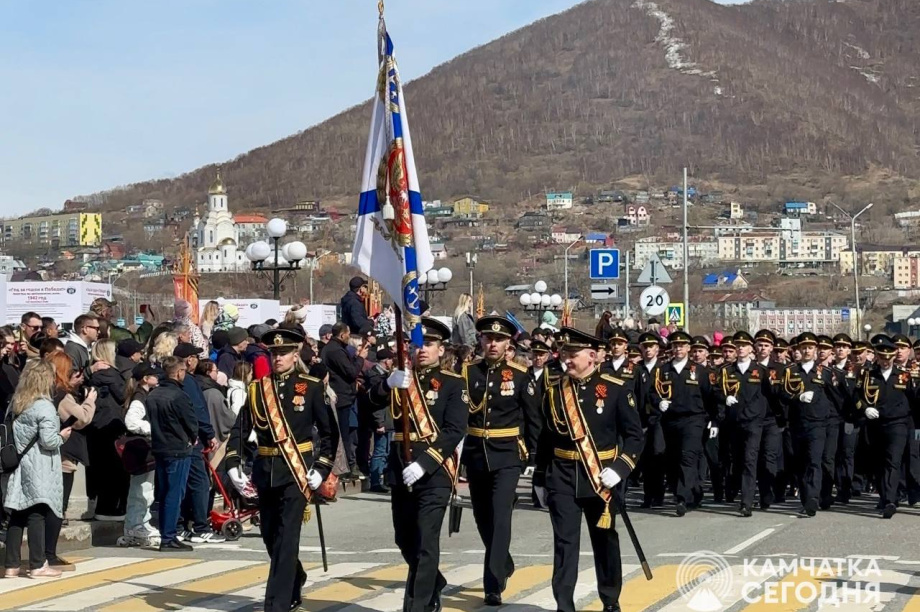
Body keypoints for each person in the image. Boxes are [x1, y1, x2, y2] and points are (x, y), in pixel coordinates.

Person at [226, 329, 340, 612]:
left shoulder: (311, 387)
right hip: (266, 471)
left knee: (288, 536)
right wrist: (232, 462)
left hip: (297, 471)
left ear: (294, 354)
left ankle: (276, 603)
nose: (278, 358)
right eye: (273, 353)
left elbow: (329, 434)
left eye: (284, 353)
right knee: (269, 535)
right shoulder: (256, 389)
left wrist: (321, 467)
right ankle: (295, 576)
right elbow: (241, 430)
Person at [533, 327, 643, 612]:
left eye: (573, 354)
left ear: (592, 356)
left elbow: (634, 437)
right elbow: (546, 436)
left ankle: (610, 599)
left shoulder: (616, 388)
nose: (566, 359)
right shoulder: (554, 390)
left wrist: (620, 468)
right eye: (564, 353)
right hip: (562, 475)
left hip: (600, 476)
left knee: (604, 539)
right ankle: (564, 605)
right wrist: (540, 477)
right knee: (564, 543)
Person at [372, 317, 467, 612]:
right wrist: (386, 385)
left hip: (434, 469)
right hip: (401, 464)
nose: (422, 349)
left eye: (429, 344)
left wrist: (425, 463)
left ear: (441, 349)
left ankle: (419, 605)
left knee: (427, 539)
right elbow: (369, 404)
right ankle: (434, 581)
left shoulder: (453, 383)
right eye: (418, 344)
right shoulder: (401, 379)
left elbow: (454, 430)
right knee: (404, 537)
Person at [462, 315, 541, 605]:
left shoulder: (520, 376)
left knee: (500, 515)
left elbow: (534, 420)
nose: (492, 343)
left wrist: (534, 458)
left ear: (509, 344)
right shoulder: (467, 374)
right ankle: (503, 560)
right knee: (483, 519)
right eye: (487, 338)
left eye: (498, 339)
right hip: (475, 453)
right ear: (480, 340)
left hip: (507, 454)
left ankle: (493, 582)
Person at [3, 361, 73, 578]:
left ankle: (11, 566)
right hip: (40, 465)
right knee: (37, 513)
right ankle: (37, 564)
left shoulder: (16, 402)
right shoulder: (44, 406)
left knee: (17, 513)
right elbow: (49, 441)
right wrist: (63, 436)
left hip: (19, 464)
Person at [650, 330, 715, 516]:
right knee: (672, 458)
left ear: (688, 348)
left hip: (694, 420)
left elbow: (710, 396)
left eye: (682, 345)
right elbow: (652, 393)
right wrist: (658, 402)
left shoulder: (699, 371)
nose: (678, 349)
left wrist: (714, 420)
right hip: (670, 420)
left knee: (688, 456)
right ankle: (693, 491)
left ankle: (681, 498)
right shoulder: (662, 371)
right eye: (675, 345)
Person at [45, 351, 96, 570]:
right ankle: (49, 553)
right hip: (62, 457)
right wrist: (89, 401)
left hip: (50, 455)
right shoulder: (61, 394)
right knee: (58, 506)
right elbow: (80, 419)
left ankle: (44, 552)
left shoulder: (46, 391)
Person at [146, 356, 198, 551]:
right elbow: (191, 422)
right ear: (178, 373)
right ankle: (168, 536)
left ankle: (168, 534)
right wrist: (193, 437)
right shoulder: (178, 395)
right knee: (174, 494)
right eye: (183, 371)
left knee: (165, 492)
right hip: (178, 448)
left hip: (160, 447)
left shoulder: (153, 394)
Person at [173, 343, 221, 543]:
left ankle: (179, 525)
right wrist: (209, 433)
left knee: (179, 484)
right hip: (191, 439)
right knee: (200, 482)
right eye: (194, 357)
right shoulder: (189, 382)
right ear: (189, 360)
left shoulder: (166, 380)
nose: (196, 361)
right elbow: (198, 411)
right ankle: (201, 526)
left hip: (173, 439)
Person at [86, 339, 130, 521]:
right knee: (114, 468)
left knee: (100, 467)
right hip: (110, 424)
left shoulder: (92, 374)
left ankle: (101, 505)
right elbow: (122, 395)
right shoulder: (111, 374)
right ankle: (110, 508)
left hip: (95, 424)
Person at [321, 322, 367, 477]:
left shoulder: (336, 349)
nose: (349, 337)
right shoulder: (335, 351)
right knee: (343, 434)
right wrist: (361, 358)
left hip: (343, 395)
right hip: (340, 397)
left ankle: (345, 466)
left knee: (344, 433)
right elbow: (351, 372)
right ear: (342, 335)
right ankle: (346, 467)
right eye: (348, 334)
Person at [121, 363, 160, 546]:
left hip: (144, 449)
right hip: (140, 448)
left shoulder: (144, 395)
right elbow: (131, 422)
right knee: (141, 488)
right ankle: (134, 525)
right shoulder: (139, 397)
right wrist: (153, 430)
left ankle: (142, 521)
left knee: (146, 488)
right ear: (145, 378)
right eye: (154, 375)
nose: (157, 377)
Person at [358, 347, 395, 493]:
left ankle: (384, 478)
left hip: (388, 418)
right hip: (382, 419)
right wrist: (379, 422)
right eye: (391, 360)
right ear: (386, 361)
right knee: (380, 451)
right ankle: (375, 481)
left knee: (386, 451)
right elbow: (376, 403)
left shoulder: (385, 376)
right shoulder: (375, 378)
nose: (393, 362)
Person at [64, 313, 100, 377]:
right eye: (97, 328)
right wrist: (91, 370)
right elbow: (71, 377)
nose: (99, 332)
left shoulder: (88, 347)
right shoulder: (72, 349)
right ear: (85, 329)